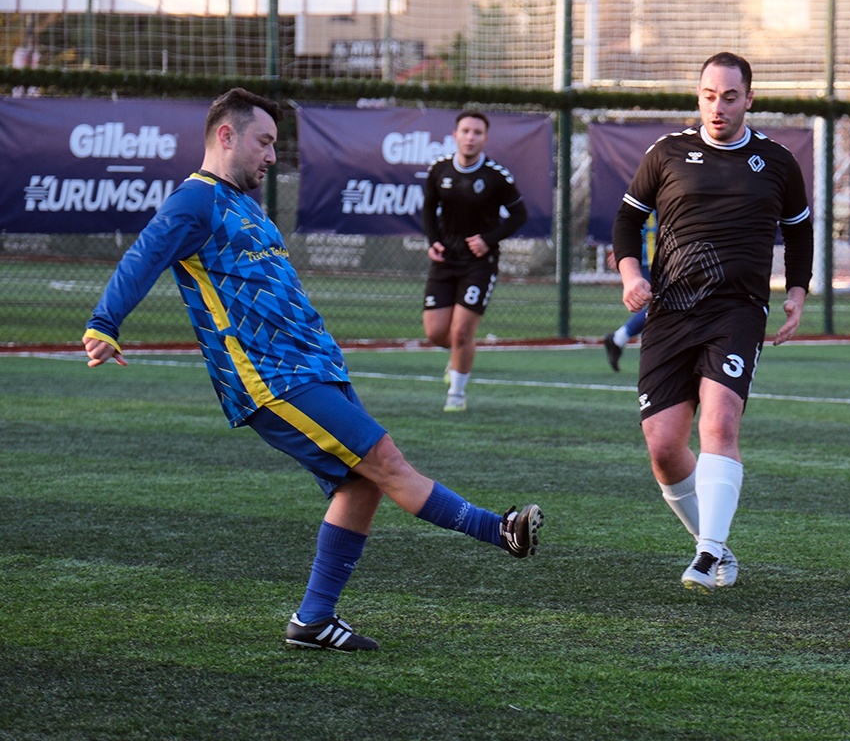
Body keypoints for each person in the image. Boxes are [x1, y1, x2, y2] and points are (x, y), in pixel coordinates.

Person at [82, 88, 544, 652]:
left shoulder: (243, 203)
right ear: (226, 135)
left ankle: (313, 620)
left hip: (314, 365)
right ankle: (499, 529)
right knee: (384, 459)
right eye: (264, 142)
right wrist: (104, 323)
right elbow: (143, 256)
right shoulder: (194, 200)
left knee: (362, 483)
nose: (271, 156)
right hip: (270, 376)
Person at [611, 52, 813, 593]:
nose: (717, 107)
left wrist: (796, 292)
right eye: (708, 96)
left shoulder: (777, 161)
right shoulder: (667, 153)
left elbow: (799, 230)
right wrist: (631, 274)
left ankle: (705, 555)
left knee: (720, 424)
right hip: (671, 311)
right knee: (663, 445)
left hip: (737, 310)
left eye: (729, 96)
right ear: (698, 96)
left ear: (749, 99)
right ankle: (715, 544)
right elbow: (628, 219)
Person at [422, 110, 528, 412]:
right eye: (466, 131)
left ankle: (456, 394)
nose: (471, 137)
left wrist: (488, 239)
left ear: (485, 138)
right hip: (446, 258)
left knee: (461, 332)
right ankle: (458, 356)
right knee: (435, 333)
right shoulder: (439, 169)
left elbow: (519, 215)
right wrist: (433, 242)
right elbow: (429, 208)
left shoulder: (496, 176)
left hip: (480, 261)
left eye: (477, 133)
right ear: (455, 135)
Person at [602, 212, 655, 373]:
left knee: (663, 304)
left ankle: (619, 338)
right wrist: (625, 251)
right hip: (651, 258)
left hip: (656, 256)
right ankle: (619, 339)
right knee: (662, 303)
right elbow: (632, 221)